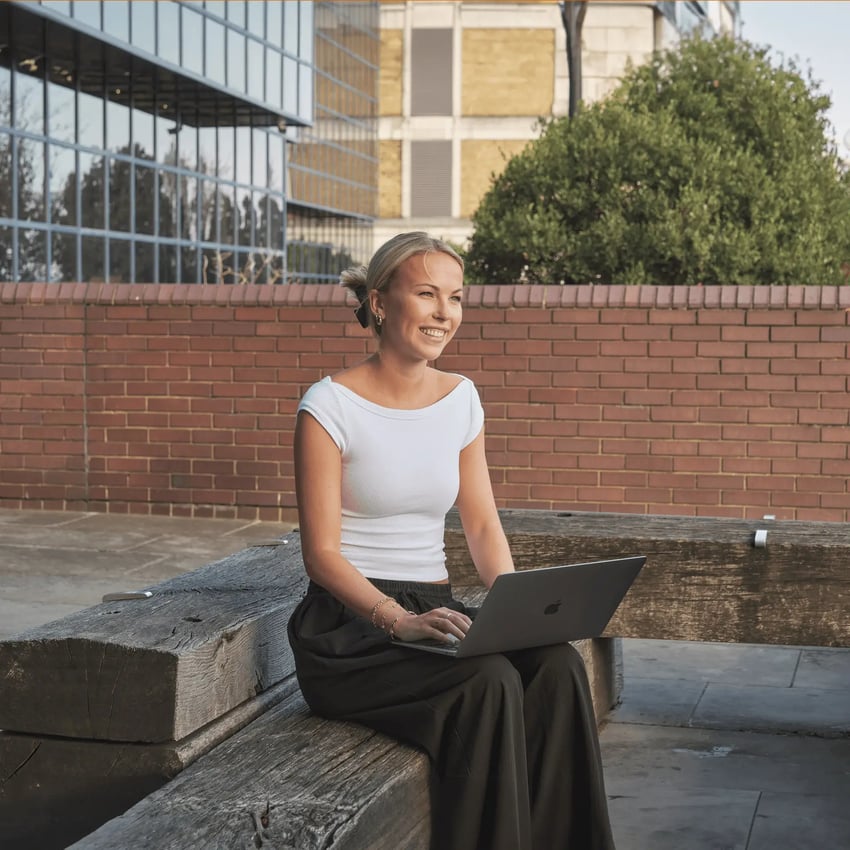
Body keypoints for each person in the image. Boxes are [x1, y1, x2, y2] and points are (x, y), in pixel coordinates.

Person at [287, 231, 616, 850]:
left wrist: (522, 609)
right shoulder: (328, 406)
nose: (445, 313)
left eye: (456, 298)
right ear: (379, 302)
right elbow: (321, 555)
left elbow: (483, 524)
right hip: (351, 627)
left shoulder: (461, 398)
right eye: (427, 294)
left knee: (557, 667)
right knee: (487, 681)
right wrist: (396, 619)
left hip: (434, 607)